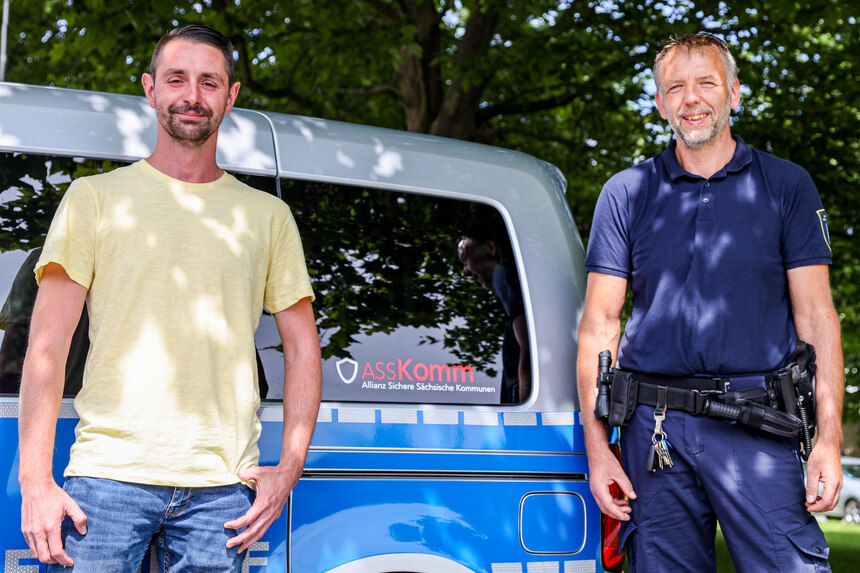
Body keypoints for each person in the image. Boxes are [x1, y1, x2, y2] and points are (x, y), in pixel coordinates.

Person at [18, 25, 321, 570]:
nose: (192, 95)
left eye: (210, 82)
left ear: (230, 98)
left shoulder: (268, 218)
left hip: (223, 492)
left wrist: (289, 467)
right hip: (107, 480)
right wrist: (34, 481)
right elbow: (48, 345)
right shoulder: (95, 199)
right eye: (176, 79)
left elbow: (303, 350)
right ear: (150, 89)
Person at [577, 32, 843, 572]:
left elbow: (817, 316)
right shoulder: (626, 193)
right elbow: (599, 323)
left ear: (734, 94)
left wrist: (830, 440)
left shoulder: (786, 186)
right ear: (659, 103)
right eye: (675, 87)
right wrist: (598, 448)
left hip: (759, 425)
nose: (690, 98)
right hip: (656, 434)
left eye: (706, 83)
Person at [458, 221, 531, 403]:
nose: (464, 272)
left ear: (490, 247)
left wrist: (523, 415)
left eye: (465, 258)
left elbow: (529, 347)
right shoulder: (522, 278)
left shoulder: (504, 273)